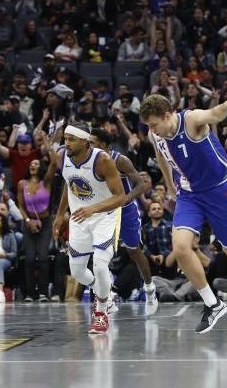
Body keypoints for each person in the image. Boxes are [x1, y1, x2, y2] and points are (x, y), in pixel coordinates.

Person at [140, 91, 227, 338]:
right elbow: (162, 159)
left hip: (219, 191)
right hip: (189, 195)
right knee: (181, 247)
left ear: (167, 115)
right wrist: (171, 188)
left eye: (154, 124)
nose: (152, 130)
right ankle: (213, 304)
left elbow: (214, 114)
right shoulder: (157, 134)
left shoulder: (191, 119)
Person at [52, 122, 126, 334]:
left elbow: (120, 197)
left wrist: (92, 209)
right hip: (79, 218)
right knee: (77, 271)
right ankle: (104, 293)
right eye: (65, 138)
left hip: (104, 217)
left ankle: (101, 311)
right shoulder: (62, 156)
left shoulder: (102, 160)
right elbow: (69, 184)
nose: (67, 143)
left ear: (85, 141)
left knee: (101, 267)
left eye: (72, 139)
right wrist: (59, 215)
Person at [90, 127, 158, 314]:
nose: (88, 146)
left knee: (134, 251)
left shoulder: (120, 160)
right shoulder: (89, 161)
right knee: (101, 253)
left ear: (103, 144)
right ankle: (106, 296)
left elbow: (141, 184)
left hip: (126, 210)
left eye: (92, 143)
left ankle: (150, 288)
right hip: (104, 211)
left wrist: (126, 199)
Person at [17, 158, 56, 302]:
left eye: (36, 164)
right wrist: (27, 221)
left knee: (44, 257)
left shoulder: (46, 182)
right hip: (28, 223)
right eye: (31, 164)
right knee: (30, 259)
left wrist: (50, 145)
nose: (33, 165)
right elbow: (20, 206)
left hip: (45, 223)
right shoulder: (22, 184)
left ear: (41, 168)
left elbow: (54, 164)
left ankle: (43, 293)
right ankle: (30, 293)